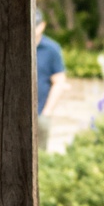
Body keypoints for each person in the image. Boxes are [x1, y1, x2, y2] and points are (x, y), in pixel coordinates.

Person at [34, 12, 65, 153]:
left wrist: (47, 111)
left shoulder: (51, 49)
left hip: (40, 111)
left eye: (36, 25)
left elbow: (59, 81)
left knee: (40, 154)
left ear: (42, 25)